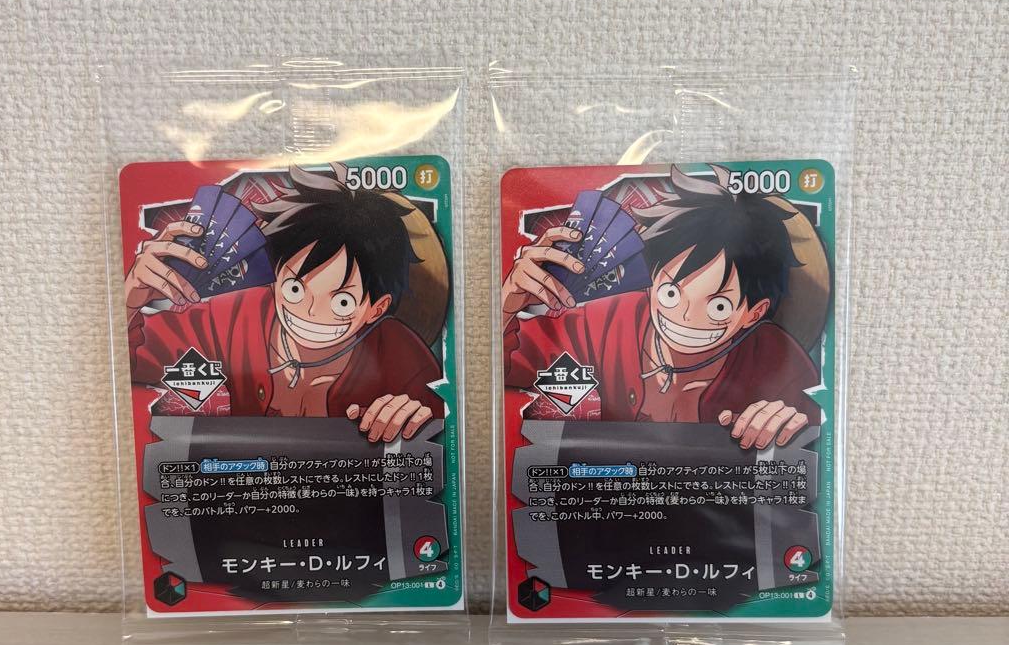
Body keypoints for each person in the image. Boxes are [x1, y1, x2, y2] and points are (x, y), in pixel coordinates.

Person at [502, 165, 820, 450]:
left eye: (719, 307)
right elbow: (506, 369)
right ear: (652, 280)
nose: (684, 316)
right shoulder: (606, 322)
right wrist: (505, 306)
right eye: (670, 293)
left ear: (754, 313)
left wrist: (790, 425)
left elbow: (814, 439)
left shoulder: (780, 364)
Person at [126, 166, 443, 442]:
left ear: (376, 308)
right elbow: (134, 362)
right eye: (294, 288)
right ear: (276, 275)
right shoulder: (233, 317)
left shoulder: (401, 359)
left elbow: (440, 435)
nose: (309, 311)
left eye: (342, 302)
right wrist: (128, 303)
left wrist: (418, 417)